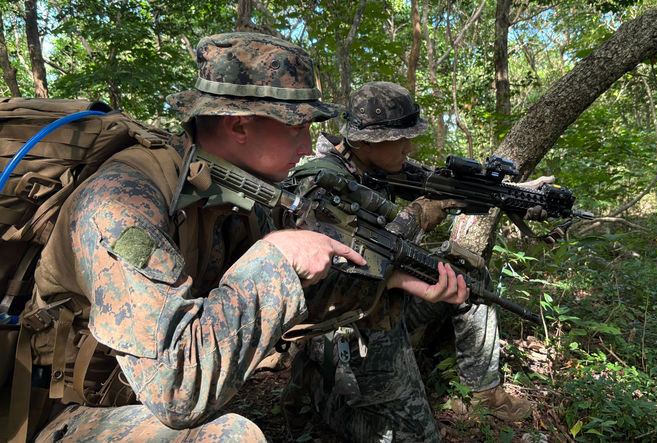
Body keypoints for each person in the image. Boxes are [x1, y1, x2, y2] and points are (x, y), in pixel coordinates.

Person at [18, 35, 466, 442]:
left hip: (133, 403)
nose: (309, 146)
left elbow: (292, 303)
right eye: (297, 127)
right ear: (239, 125)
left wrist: (384, 282)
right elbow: (176, 388)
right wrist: (273, 256)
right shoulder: (123, 200)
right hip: (64, 415)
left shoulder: (233, 194)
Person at [281, 81, 536, 442]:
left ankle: (485, 392)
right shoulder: (321, 181)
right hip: (345, 321)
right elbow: (354, 263)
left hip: (385, 299)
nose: (410, 146)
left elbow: (440, 183)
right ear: (367, 140)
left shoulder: (377, 165)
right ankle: (320, 395)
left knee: (466, 274)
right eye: (401, 138)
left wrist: (516, 197)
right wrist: (418, 215)